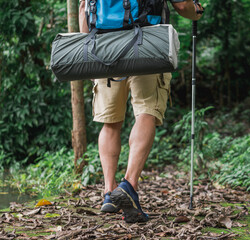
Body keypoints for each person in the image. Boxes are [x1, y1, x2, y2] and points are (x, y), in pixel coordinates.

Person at [79, 0, 203, 223]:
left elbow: (84, 7)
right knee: (146, 112)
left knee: (110, 123)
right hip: (147, 43)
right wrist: (197, 12)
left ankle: (109, 192)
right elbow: (184, 6)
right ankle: (128, 185)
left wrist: (89, 51)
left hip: (103, 46)